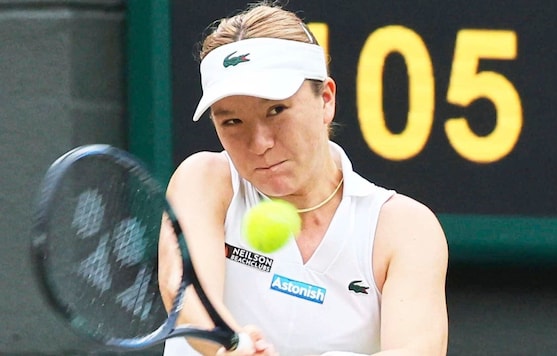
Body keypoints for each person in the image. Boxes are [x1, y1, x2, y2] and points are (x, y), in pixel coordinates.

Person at [159, 2, 448, 355]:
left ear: (326, 100)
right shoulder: (204, 180)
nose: (260, 143)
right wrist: (229, 346)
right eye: (232, 122)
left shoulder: (404, 229)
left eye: (276, 110)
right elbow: (182, 286)